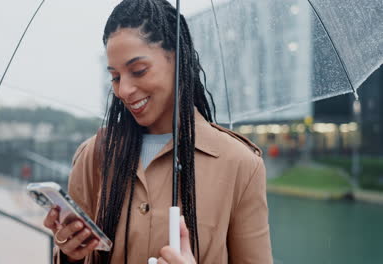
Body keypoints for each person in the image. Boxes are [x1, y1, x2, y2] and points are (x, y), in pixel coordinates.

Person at [43, 0, 273, 263]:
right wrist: (69, 254)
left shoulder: (240, 164)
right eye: (115, 77)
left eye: (138, 71)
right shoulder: (94, 154)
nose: (124, 90)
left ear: (177, 58)